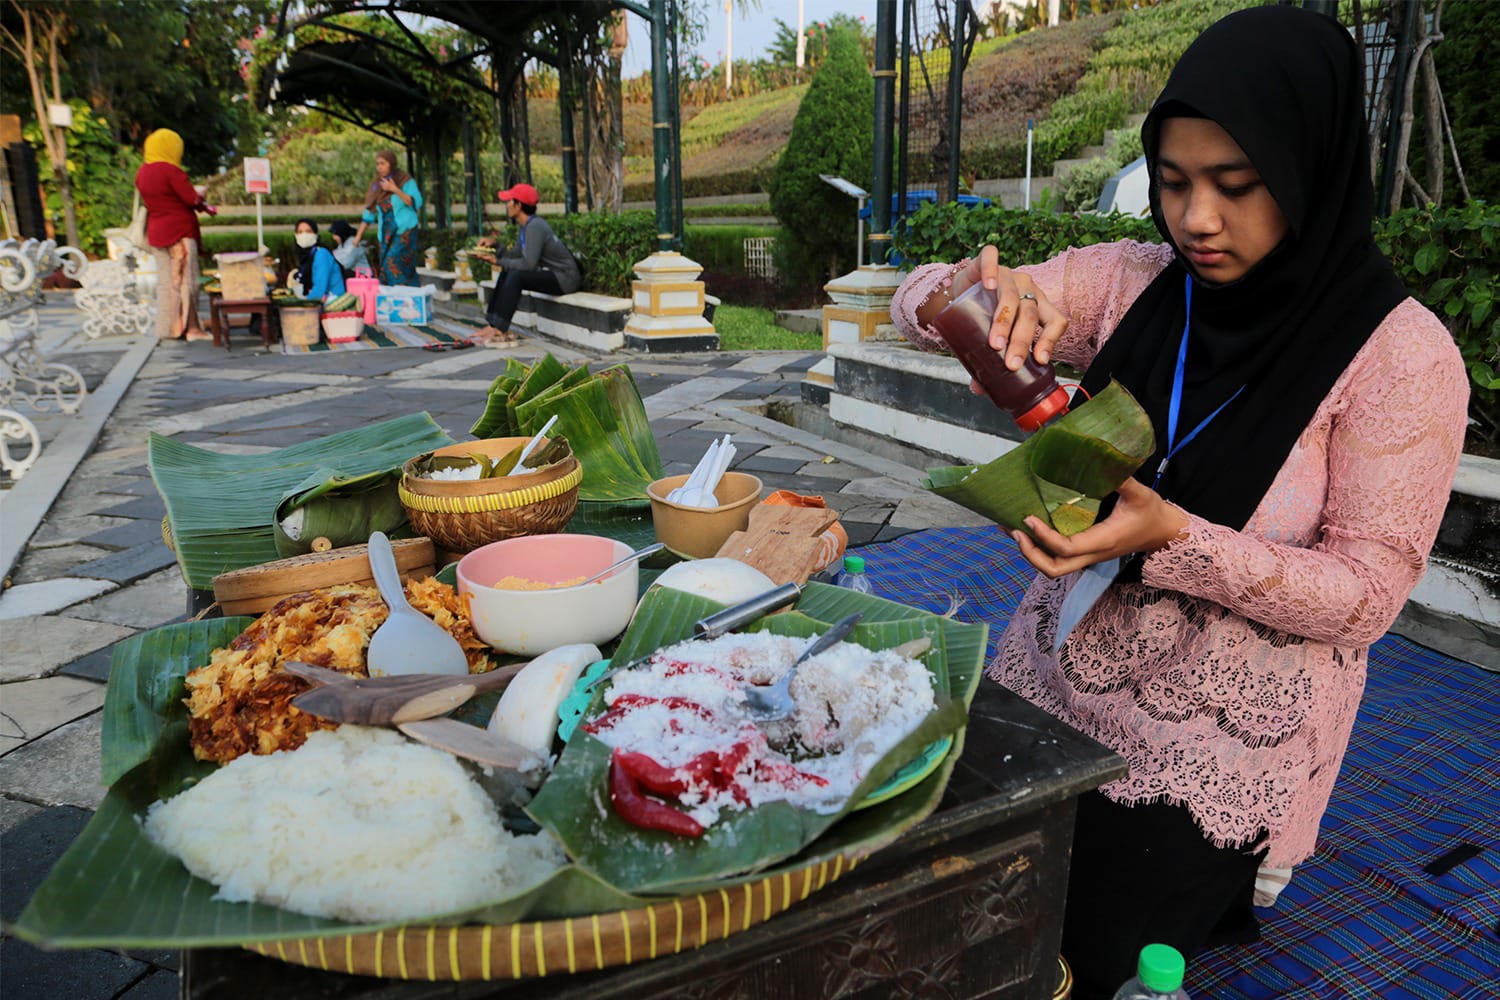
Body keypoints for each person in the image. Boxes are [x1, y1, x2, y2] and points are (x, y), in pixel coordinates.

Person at [888, 7, 1468, 998]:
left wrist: (1176, 542)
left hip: (1214, 735)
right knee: (936, 890)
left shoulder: (1402, 358)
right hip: (1055, 669)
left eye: (1239, 187)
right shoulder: (1139, 283)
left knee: (1077, 950)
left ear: (1315, 168)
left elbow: (1367, 594)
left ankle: (1244, 866)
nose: (1197, 219)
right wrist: (991, 290)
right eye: (1174, 182)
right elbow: (917, 310)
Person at [472, 182, 580, 344]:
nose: (507, 205)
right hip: (553, 275)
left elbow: (529, 265)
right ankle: (493, 324)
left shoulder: (535, 227)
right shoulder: (526, 227)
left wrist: (498, 261)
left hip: (565, 278)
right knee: (508, 271)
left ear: (519, 205)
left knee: (516, 276)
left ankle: (500, 330)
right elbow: (514, 256)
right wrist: (495, 246)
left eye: (510, 201)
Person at [134, 128, 216, 341]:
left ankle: (166, 329)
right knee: (186, 281)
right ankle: (191, 329)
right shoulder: (172, 172)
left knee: (165, 282)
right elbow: (191, 199)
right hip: (180, 232)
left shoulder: (142, 173)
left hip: (156, 233)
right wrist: (201, 196)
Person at [352, 150, 421, 286]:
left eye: (383, 163)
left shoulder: (405, 180)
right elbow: (369, 213)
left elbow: (416, 202)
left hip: (404, 231)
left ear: (391, 164)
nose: (379, 167)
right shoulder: (377, 185)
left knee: (394, 264)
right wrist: (357, 238)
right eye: (377, 164)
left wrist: (395, 189)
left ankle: (404, 297)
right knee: (384, 268)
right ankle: (393, 302)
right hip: (385, 234)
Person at [289, 219, 346, 300]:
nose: (304, 235)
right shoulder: (308, 257)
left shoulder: (322, 254)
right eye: (300, 232)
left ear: (316, 234)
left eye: (308, 231)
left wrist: (303, 303)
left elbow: (320, 289)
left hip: (333, 302)